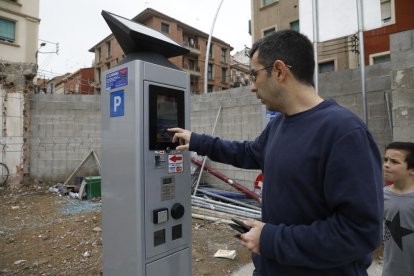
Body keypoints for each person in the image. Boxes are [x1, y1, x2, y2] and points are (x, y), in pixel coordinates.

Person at [168, 30, 383, 275]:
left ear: (279, 71)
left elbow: (359, 232)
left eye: (254, 75)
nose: (251, 86)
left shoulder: (344, 133)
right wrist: (197, 141)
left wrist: (271, 239)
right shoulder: (279, 124)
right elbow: (247, 153)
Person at [382, 142, 414, 276]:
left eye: (394, 162)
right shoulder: (380, 196)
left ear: (412, 169)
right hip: (390, 271)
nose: (386, 165)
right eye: (386, 160)